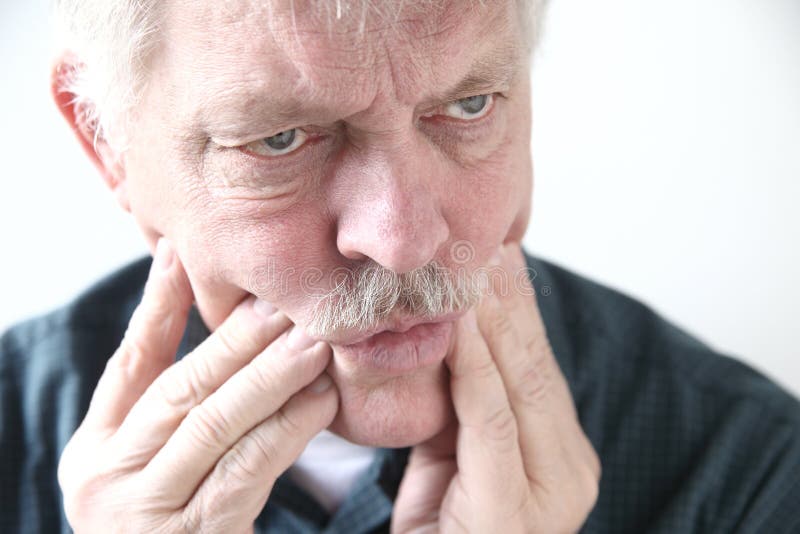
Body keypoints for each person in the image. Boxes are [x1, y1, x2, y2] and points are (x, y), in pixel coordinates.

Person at [1, 1, 798, 532]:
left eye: (469, 105)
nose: (405, 240)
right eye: (280, 140)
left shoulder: (747, 473)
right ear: (107, 143)